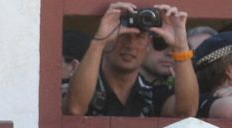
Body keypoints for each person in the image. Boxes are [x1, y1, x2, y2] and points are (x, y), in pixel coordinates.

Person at [65, 2, 198, 118]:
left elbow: (186, 113)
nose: (130, 45)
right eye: (123, 35)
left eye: (140, 37)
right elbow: (75, 108)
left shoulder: (152, 93)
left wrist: (180, 46)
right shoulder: (84, 84)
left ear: (148, 45)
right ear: (108, 39)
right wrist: (98, 43)